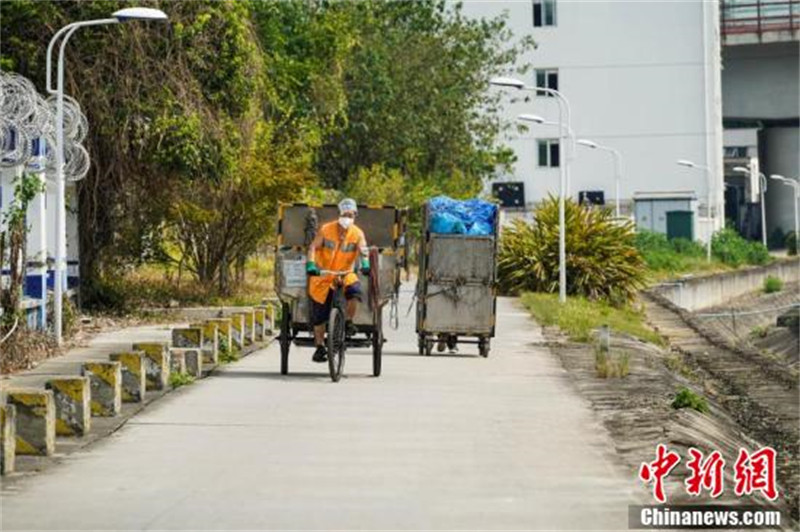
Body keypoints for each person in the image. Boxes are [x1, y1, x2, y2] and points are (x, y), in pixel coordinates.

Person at [306, 198, 370, 362]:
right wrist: (311, 264)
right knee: (319, 314)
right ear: (339, 214)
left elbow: (363, 250)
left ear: (355, 215)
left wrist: (365, 264)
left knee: (355, 291)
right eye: (345, 214)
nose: (347, 217)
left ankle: (348, 321)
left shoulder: (357, 233)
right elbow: (313, 247)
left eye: (351, 214)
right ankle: (320, 347)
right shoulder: (326, 230)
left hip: (345, 273)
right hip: (324, 274)